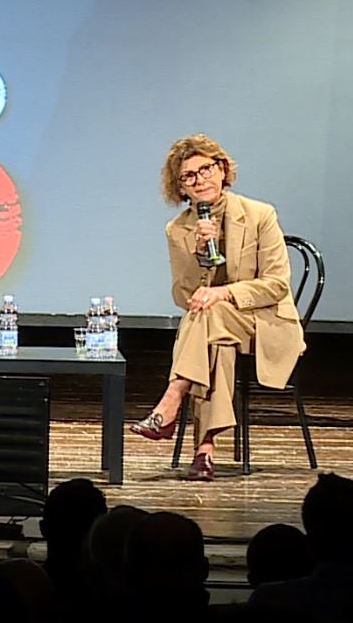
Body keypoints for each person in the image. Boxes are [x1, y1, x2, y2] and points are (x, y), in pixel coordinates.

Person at [130, 134, 304, 481]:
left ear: (222, 169)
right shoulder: (179, 229)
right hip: (217, 327)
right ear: (181, 189)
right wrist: (198, 254)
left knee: (210, 314)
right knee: (216, 340)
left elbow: (277, 285)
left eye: (205, 169)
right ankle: (205, 450)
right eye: (189, 177)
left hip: (265, 323)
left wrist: (224, 293)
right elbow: (184, 296)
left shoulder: (259, 214)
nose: (200, 180)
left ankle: (171, 399)